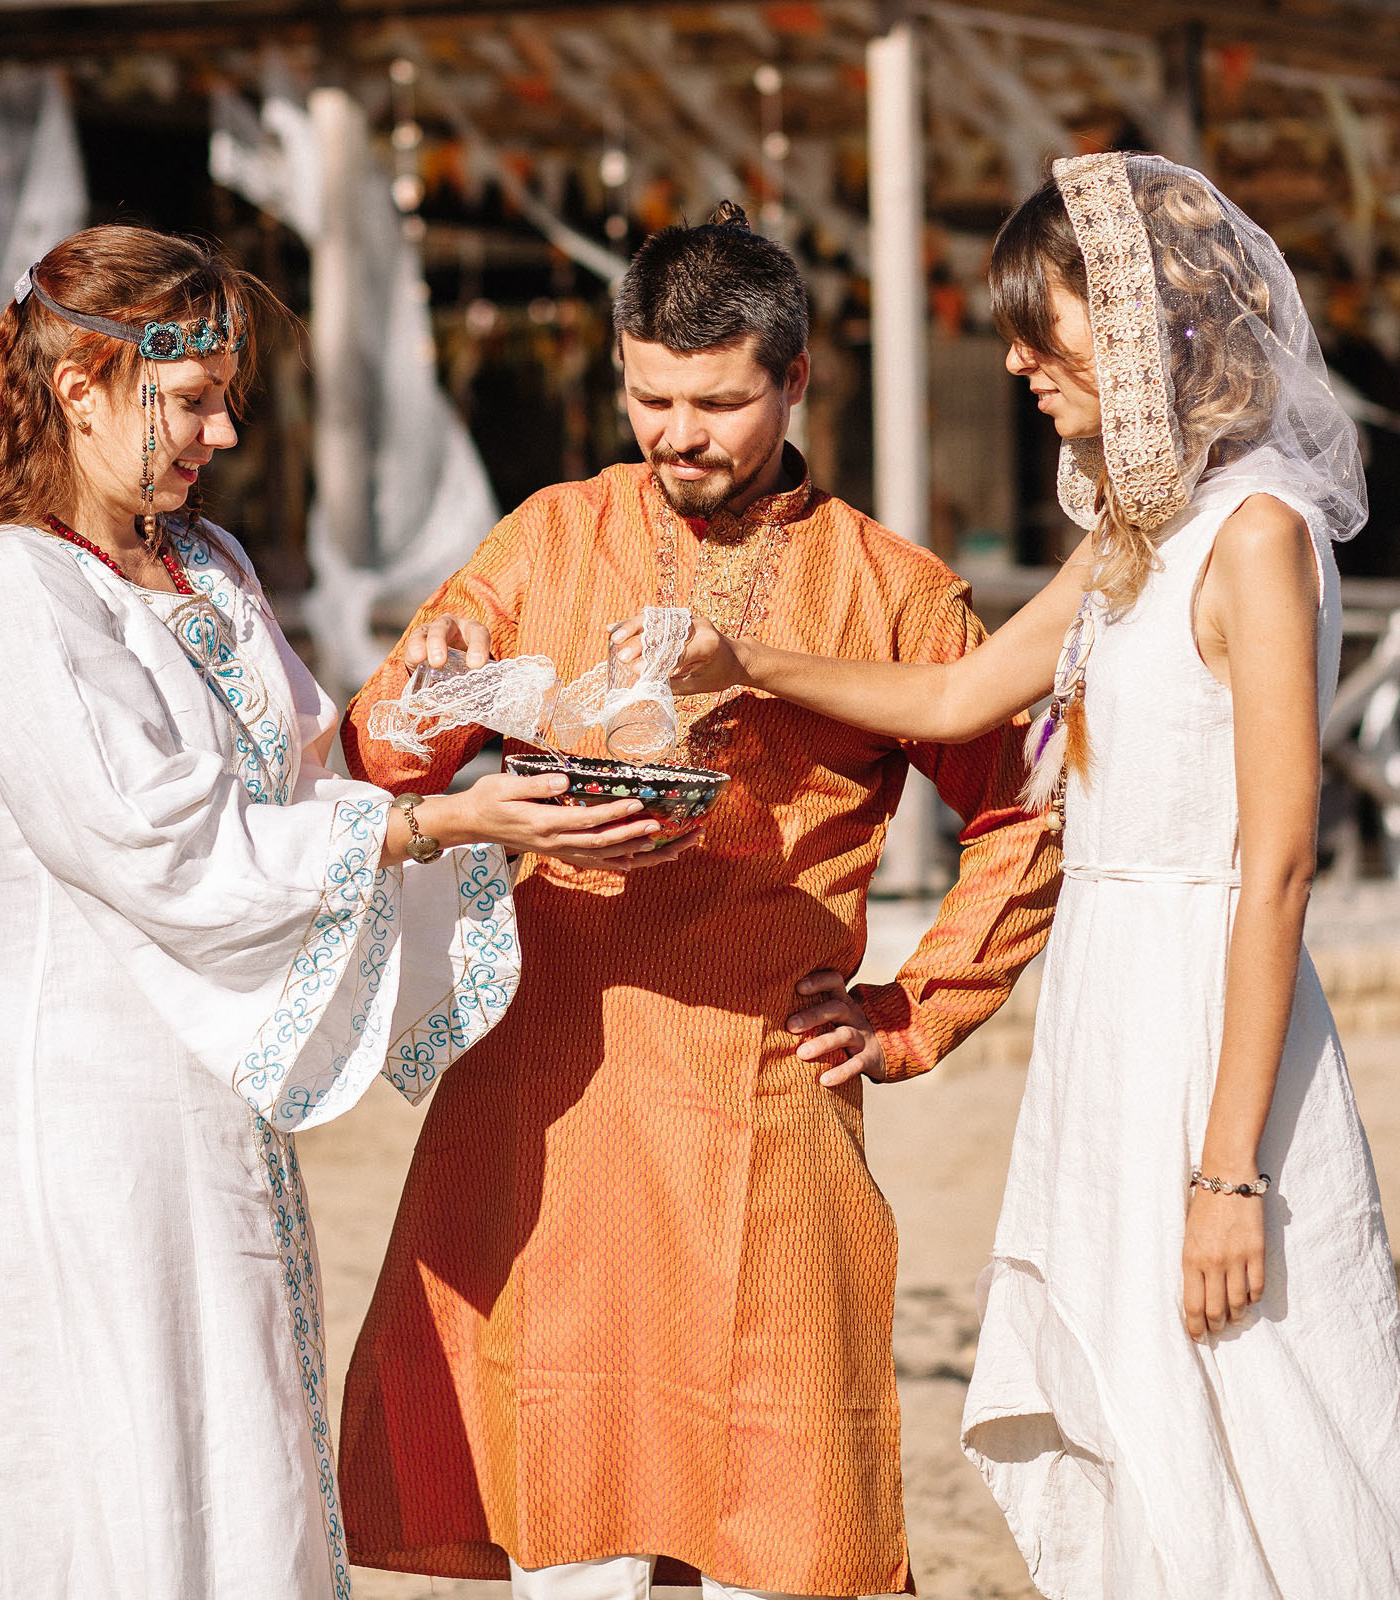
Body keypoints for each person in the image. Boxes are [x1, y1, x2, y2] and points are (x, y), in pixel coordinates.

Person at [637, 155, 1400, 1597]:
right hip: (1108, 1009)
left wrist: (1228, 1173)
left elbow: (1274, 870)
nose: (1015, 358)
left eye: (1042, 326)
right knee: (1143, 1418)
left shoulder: (1255, 538)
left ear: (1148, 328)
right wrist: (744, 659)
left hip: (1209, 1011)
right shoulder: (1138, 531)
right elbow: (963, 703)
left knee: (1257, 1404)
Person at [0, 225, 678, 1600]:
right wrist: (435, 824)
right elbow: (157, 840)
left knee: (239, 1437)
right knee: (118, 1452)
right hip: (84, 1102)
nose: (225, 427)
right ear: (83, 385)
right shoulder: (11, 592)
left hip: (216, 1094)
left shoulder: (207, 565)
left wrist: (446, 706)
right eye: (192, 397)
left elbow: (312, 773)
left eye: (224, 394)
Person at [334, 203, 1064, 1600]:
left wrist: (914, 1008)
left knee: (780, 1529)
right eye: (653, 397)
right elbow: (383, 749)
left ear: (795, 383)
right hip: (547, 1095)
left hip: (763, 1100)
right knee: (572, 1520)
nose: (681, 433)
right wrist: (429, 685)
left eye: (721, 401)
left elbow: (1034, 807)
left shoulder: (889, 589)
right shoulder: (548, 539)